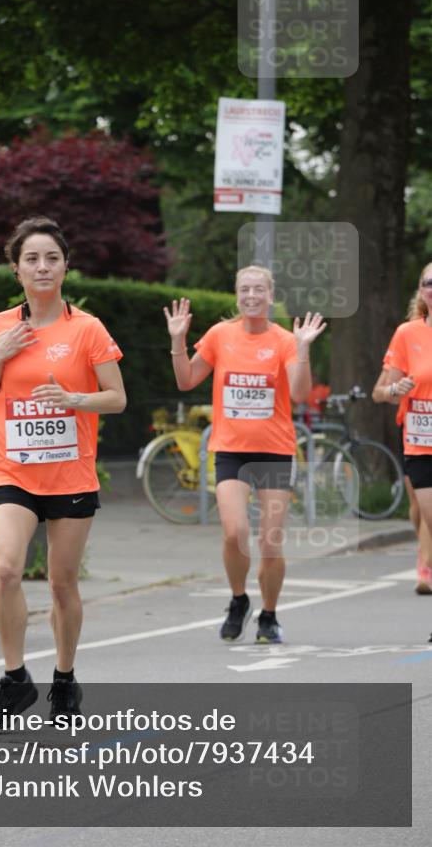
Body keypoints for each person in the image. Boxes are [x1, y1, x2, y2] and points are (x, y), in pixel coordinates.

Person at [0, 217, 126, 721]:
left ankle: (64, 680)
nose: (42, 266)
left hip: (70, 473)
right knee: (8, 569)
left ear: (65, 266)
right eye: (32, 259)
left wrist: (73, 398)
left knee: (62, 584)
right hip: (10, 469)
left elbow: (117, 399)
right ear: (16, 269)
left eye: (51, 258)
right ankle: (15, 679)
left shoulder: (87, 328)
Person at [165, 265, 325, 643]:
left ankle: (268, 615)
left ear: (270, 295)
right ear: (236, 295)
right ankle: (239, 600)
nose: (251, 296)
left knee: (270, 541)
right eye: (244, 290)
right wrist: (178, 341)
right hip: (231, 451)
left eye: (258, 289)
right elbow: (186, 379)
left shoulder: (285, 340)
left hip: (273, 451)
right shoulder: (221, 335)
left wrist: (302, 350)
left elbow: (300, 393)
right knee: (235, 532)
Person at [380, 263, 432, 626]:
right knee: (423, 512)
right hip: (420, 440)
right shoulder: (406, 333)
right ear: (421, 291)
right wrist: (393, 390)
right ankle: (424, 554)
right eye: (430, 283)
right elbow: (379, 390)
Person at [372, 370, 432, 595]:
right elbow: (379, 393)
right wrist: (396, 389)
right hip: (414, 431)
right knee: (417, 506)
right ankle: (424, 549)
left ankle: (425, 567)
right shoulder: (407, 338)